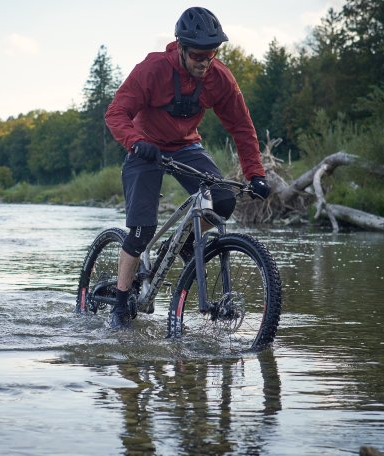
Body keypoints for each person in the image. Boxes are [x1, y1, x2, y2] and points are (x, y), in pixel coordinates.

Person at [104, 6, 271, 329]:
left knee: (222, 201)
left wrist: (256, 174)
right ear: (180, 48)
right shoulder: (152, 69)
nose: (204, 62)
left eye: (211, 54)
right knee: (141, 231)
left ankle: (175, 245)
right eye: (197, 55)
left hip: (186, 147)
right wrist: (136, 141)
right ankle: (121, 303)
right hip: (145, 148)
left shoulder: (219, 78)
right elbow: (116, 113)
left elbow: (241, 127)